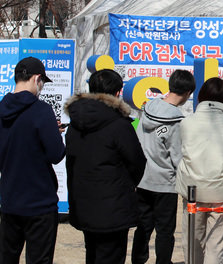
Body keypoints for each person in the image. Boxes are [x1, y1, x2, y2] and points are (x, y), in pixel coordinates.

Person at [65, 69, 147, 264]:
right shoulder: (119, 125)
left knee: (92, 255)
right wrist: (127, 184)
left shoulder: (74, 124)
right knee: (110, 256)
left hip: (84, 203)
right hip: (113, 208)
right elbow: (137, 162)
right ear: (118, 93)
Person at [0, 57, 65, 264]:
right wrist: (53, 133)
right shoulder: (41, 110)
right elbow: (56, 154)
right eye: (43, 83)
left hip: (10, 201)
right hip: (40, 203)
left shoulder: (1, 109)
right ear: (37, 78)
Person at [176, 77, 223, 264]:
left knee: (192, 242)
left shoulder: (186, 123)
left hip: (193, 191)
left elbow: (179, 152)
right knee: (216, 247)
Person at [132, 70, 195, 264]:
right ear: (187, 93)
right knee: (165, 231)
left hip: (142, 179)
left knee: (143, 226)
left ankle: (138, 260)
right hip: (165, 183)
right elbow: (177, 156)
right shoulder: (176, 120)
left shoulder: (148, 107)